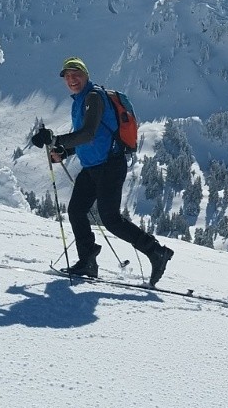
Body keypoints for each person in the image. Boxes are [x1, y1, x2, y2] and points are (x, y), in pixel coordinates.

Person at [31, 57, 174, 286]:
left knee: (111, 219)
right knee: (77, 211)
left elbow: (88, 133)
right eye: (67, 76)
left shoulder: (94, 97)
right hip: (92, 166)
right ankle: (87, 260)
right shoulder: (79, 100)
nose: (71, 79)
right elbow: (87, 139)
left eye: (75, 74)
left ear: (86, 75)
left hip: (109, 165)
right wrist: (64, 152)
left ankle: (157, 252)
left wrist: (56, 139)